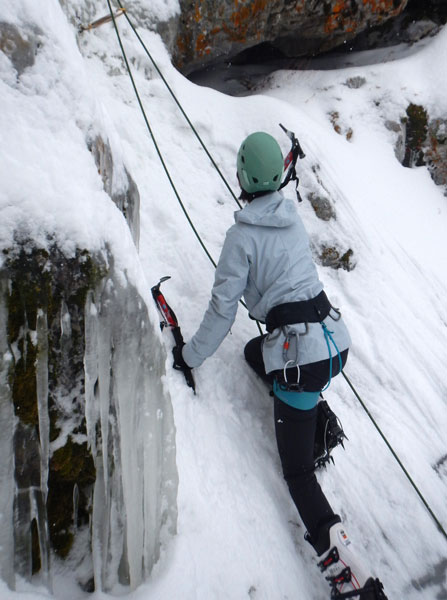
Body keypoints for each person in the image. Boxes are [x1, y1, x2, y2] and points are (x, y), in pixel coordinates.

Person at [173, 132, 388, 599]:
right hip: (333, 341)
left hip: (301, 361)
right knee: (256, 353)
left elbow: (222, 311)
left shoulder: (240, 238)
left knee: (298, 475)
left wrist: (188, 356)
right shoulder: (291, 218)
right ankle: (315, 418)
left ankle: (353, 579)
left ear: (242, 176)